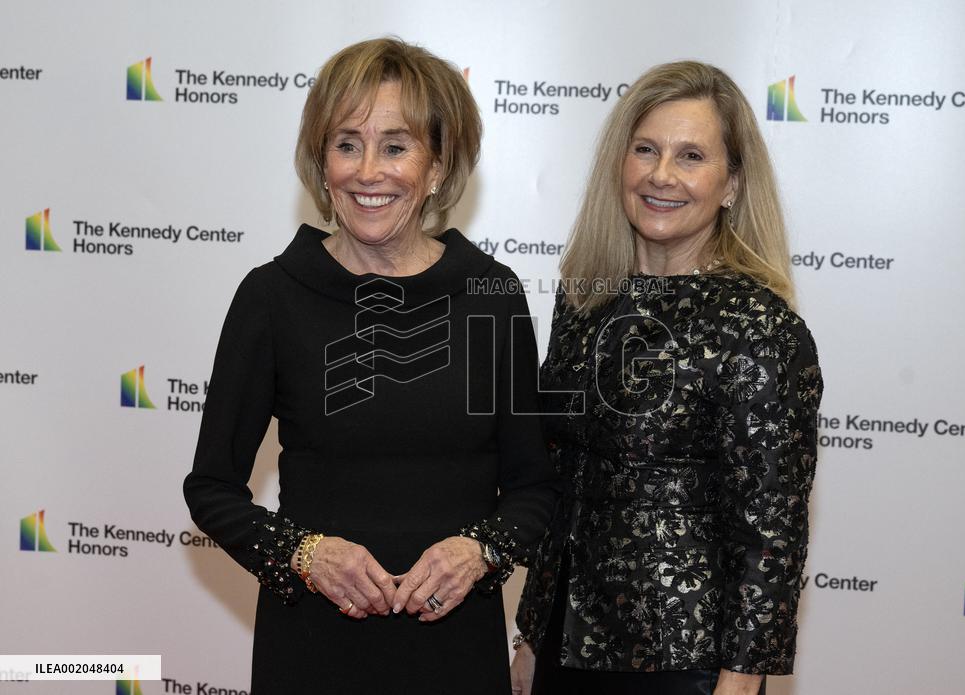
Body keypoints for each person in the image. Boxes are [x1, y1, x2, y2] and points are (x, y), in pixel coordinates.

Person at [183, 38, 559, 695]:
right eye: (347, 143)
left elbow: (535, 487)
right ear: (321, 162)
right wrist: (306, 554)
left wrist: (480, 550)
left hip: (454, 650)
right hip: (311, 651)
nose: (367, 171)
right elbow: (211, 487)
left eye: (396, 145)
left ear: (437, 164)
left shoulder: (491, 294)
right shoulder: (272, 296)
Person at [511, 61, 823, 695]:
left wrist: (741, 681)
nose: (662, 175)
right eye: (646, 150)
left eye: (691, 156)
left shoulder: (757, 326)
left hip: (684, 663)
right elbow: (564, 482)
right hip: (560, 646)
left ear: (731, 183)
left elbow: (771, 528)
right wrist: (529, 634)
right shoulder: (584, 299)